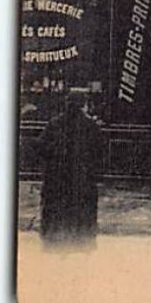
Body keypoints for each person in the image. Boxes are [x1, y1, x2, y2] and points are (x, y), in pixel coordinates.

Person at [35, 91, 105, 248]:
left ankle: (54, 239)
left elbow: (40, 147)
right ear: (83, 105)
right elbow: (99, 151)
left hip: (57, 176)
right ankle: (81, 240)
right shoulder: (90, 126)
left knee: (57, 209)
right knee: (81, 209)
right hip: (82, 177)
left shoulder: (54, 124)